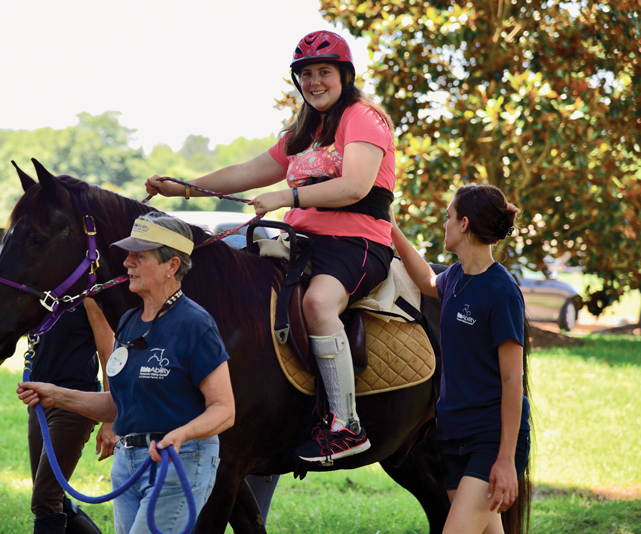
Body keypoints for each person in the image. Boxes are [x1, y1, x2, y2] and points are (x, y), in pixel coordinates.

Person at [145, 30, 396, 462]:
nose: (315, 82)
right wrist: (185, 188)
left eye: (324, 72)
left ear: (345, 76)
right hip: (301, 241)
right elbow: (248, 171)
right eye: (306, 75)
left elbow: (355, 186)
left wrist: (286, 197)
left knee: (319, 304)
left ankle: (345, 423)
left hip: (356, 243)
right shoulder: (303, 131)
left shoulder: (363, 118)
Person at [17, 212, 235, 534]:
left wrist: (181, 434)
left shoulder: (195, 324)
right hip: (128, 461)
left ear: (171, 266)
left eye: (139, 256)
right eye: (128, 254)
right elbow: (120, 404)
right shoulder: (130, 321)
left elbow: (224, 410)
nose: (127, 263)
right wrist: (57, 395)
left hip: (178, 461)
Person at [389, 184, 532, 534]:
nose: (445, 224)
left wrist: (505, 459)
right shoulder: (454, 277)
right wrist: (391, 227)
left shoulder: (502, 291)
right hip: (452, 435)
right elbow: (425, 279)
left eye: (449, 217)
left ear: (464, 224)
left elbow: (513, 380)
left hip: (489, 437)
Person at [0, 298, 117, 534]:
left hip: (76, 404)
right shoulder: (37, 295)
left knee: (45, 499)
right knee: (53, 498)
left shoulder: (88, 297)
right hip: (39, 404)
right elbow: (2, 347)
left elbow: (108, 355)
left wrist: (110, 419)